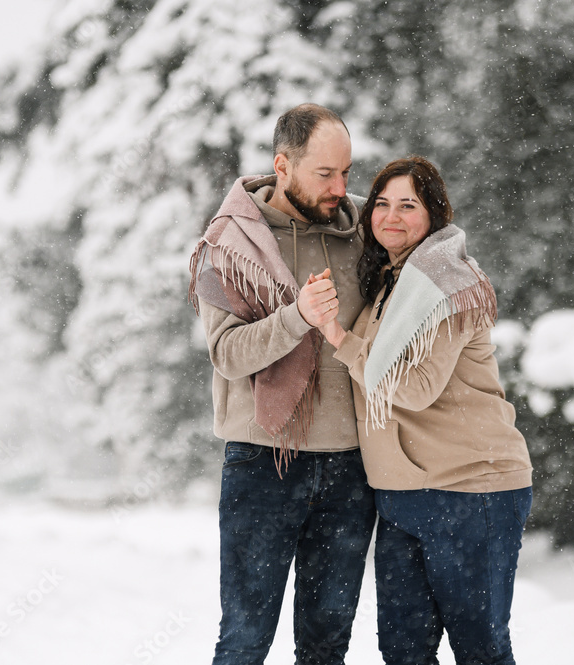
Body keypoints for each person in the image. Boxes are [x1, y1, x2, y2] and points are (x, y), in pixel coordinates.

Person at [316, 155, 533, 665]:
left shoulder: (446, 285)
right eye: (382, 204)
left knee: (479, 648)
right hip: (402, 497)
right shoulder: (392, 284)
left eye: (408, 205)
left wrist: (338, 339)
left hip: (471, 490)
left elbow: (413, 388)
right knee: (403, 650)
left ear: (433, 214)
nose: (391, 216)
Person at [188, 104, 376, 665]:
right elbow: (226, 354)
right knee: (245, 642)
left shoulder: (365, 230)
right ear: (282, 165)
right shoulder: (225, 247)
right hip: (263, 464)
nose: (340, 188)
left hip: (350, 467)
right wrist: (297, 316)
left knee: (326, 648)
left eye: (347, 172)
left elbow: (431, 239)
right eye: (325, 174)